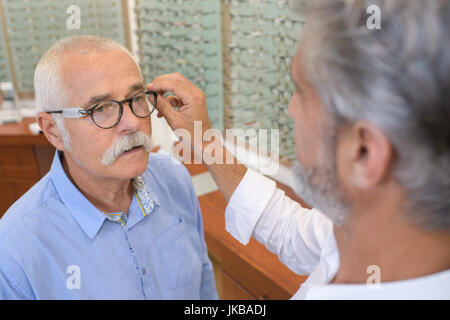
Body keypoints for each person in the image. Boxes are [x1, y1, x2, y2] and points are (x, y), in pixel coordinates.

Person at [147, 0, 450, 299]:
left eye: (301, 92)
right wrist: (206, 143)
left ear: (364, 151)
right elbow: (289, 229)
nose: (291, 109)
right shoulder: (365, 227)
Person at [0, 35, 217, 299]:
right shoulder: (15, 250)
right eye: (100, 108)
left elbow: (203, 287)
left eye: (136, 97)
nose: (132, 123)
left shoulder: (174, 179)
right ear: (53, 130)